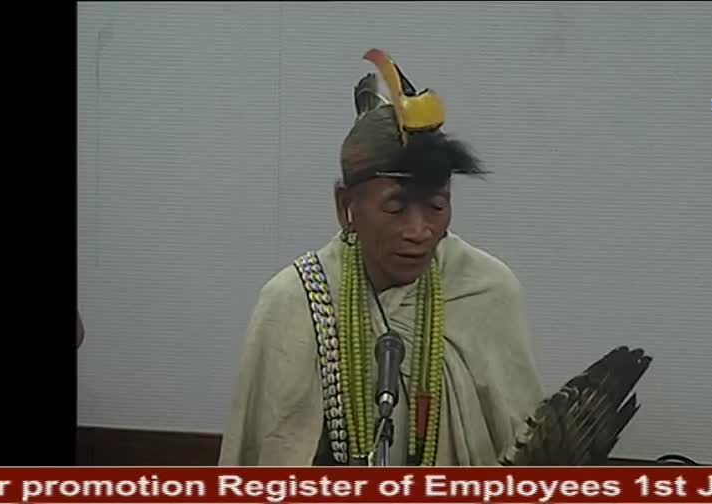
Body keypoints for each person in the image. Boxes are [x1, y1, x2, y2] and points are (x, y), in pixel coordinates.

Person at [219, 49, 544, 466]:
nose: (419, 230)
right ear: (346, 207)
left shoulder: (487, 290)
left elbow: (527, 458)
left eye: (436, 206)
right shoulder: (295, 302)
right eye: (396, 207)